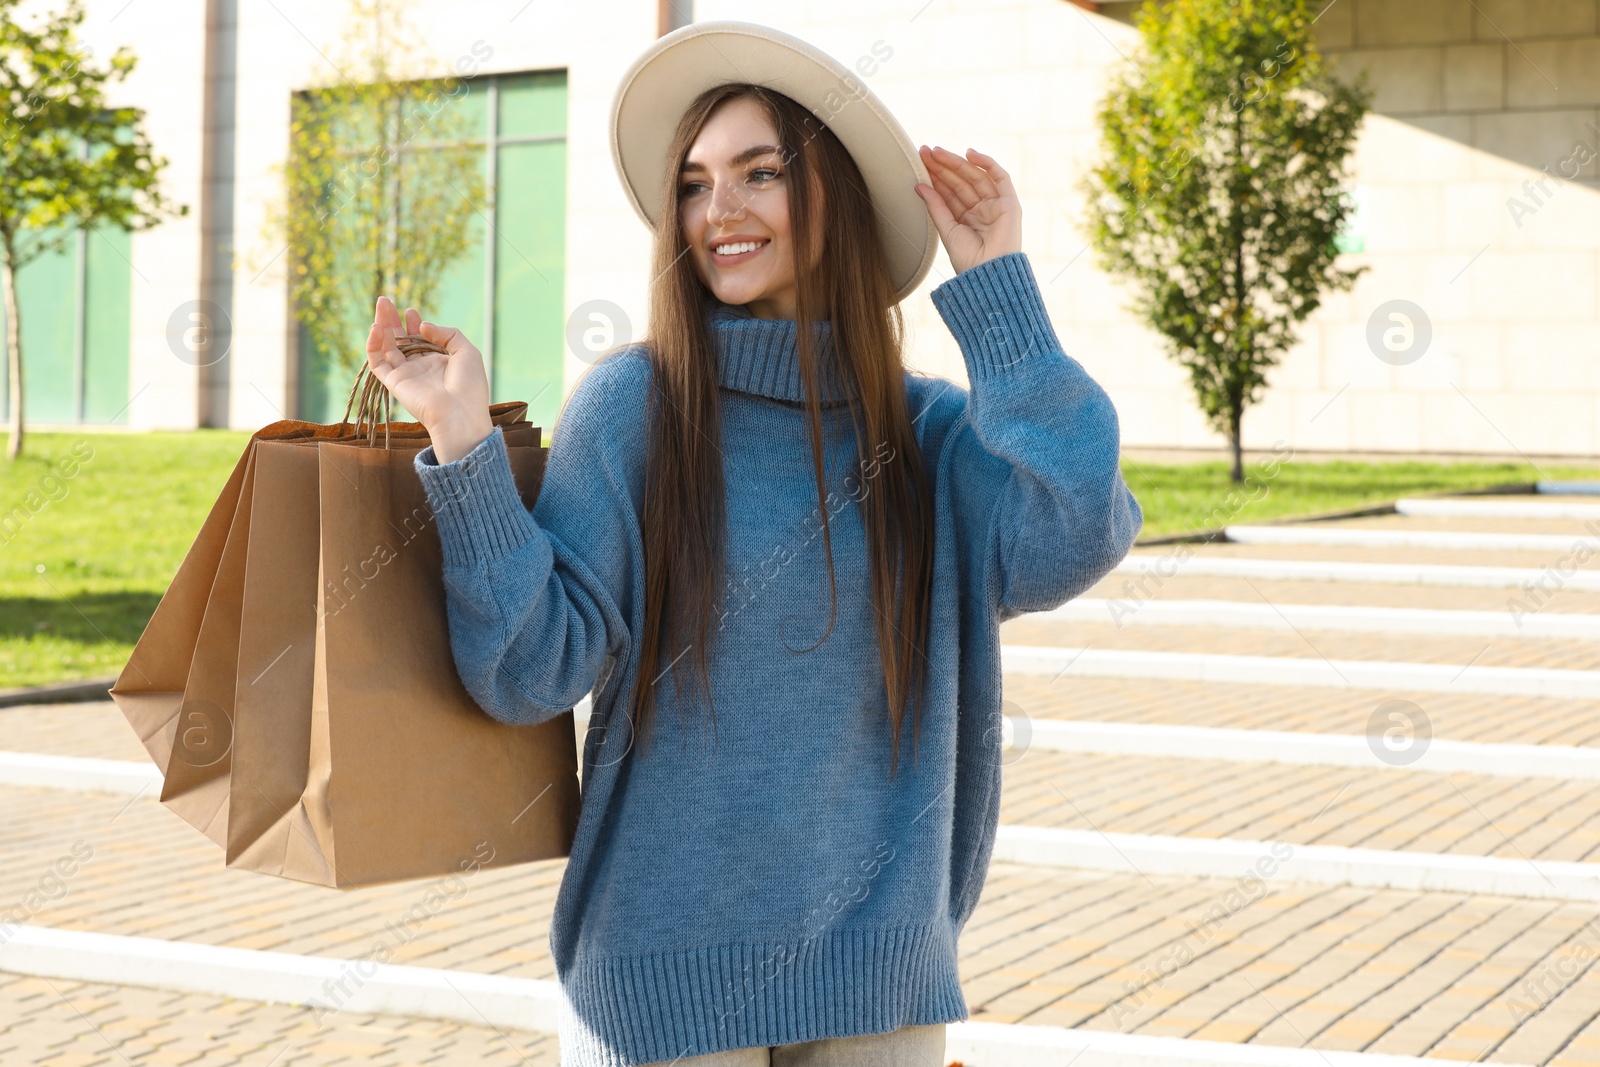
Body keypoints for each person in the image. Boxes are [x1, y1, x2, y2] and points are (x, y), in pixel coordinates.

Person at [364, 20, 1141, 1067]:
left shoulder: (931, 434)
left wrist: (996, 287)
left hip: (881, 980)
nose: (717, 209)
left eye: (758, 172)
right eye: (693, 183)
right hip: (659, 978)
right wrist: (461, 444)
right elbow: (529, 670)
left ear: (839, 197)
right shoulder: (636, 407)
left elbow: (1077, 528)